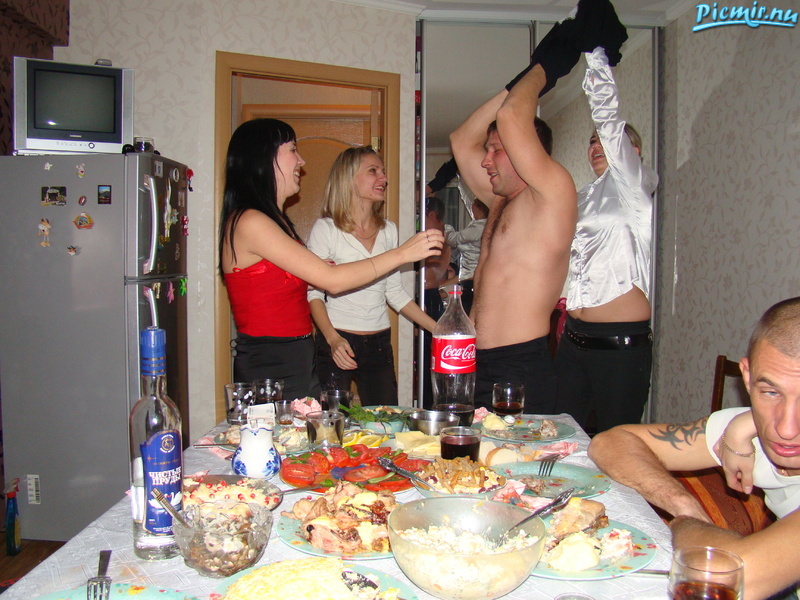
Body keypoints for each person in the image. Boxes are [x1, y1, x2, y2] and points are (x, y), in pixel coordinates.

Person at [588, 296, 800, 600]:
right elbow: (610, 443)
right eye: (771, 392)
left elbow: (731, 577)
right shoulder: (750, 427)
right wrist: (681, 503)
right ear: (748, 377)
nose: (786, 428)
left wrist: (686, 524)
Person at [218, 118, 444, 401]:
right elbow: (331, 282)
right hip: (271, 363)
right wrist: (403, 253)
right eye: (292, 150)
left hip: (300, 357)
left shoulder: (279, 223)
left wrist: (439, 329)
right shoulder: (251, 221)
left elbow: (313, 281)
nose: (301, 160)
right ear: (262, 157)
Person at [449, 36, 581, 413]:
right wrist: (518, 81)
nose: (485, 160)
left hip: (519, 368)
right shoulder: (500, 202)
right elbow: (461, 140)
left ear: (526, 152)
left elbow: (510, 117)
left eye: (496, 150)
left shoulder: (553, 195)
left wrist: (546, 67)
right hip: (475, 362)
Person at [553, 45, 658, 434]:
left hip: (619, 345)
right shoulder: (582, 197)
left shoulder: (635, 186)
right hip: (573, 339)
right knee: (562, 436)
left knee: (616, 443)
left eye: (604, 141)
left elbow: (610, 123)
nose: (596, 147)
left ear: (633, 152)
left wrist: (595, 56)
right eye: (591, 142)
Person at [306, 146, 437, 405]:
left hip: (379, 343)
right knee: (333, 422)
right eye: (373, 171)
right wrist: (332, 339)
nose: (384, 178)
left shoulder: (389, 231)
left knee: (386, 421)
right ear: (349, 178)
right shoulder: (326, 229)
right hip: (337, 339)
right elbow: (314, 293)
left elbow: (394, 292)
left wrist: (438, 329)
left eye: (383, 172)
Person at [421, 195, 455, 409]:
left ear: (432, 215)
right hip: (428, 295)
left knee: (429, 354)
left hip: (430, 297)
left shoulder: (439, 238)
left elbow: (429, 279)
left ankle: (430, 403)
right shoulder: (435, 237)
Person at [443, 198, 488, 316]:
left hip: (471, 278)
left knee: (469, 313)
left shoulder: (479, 227)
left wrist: (446, 228)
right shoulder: (483, 226)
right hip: (472, 278)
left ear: (478, 208)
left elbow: (453, 239)